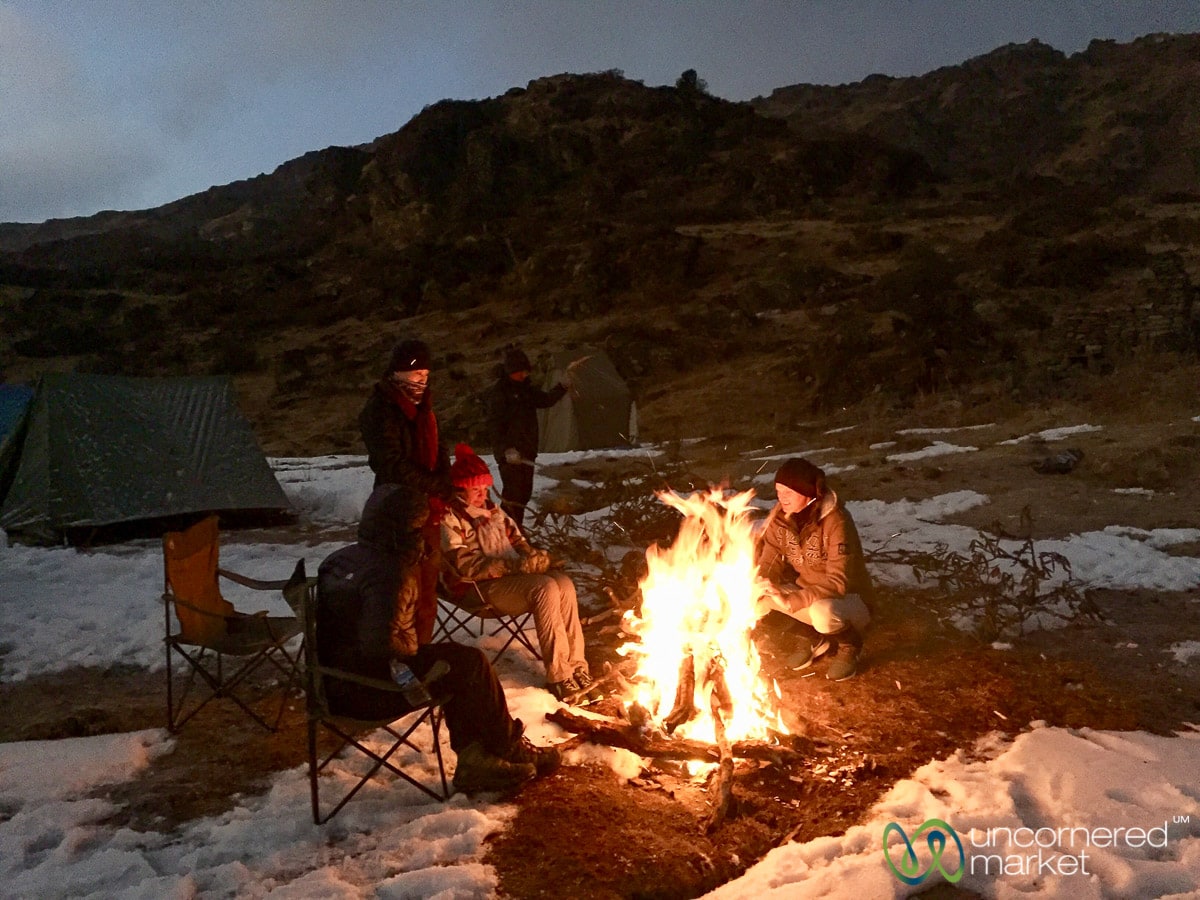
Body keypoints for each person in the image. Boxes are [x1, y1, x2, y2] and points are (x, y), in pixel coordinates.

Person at [316, 482, 560, 794]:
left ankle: (476, 759)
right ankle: (508, 748)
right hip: (369, 691)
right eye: (421, 529)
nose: (426, 536)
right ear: (405, 530)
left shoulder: (342, 559)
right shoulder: (391, 571)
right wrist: (414, 648)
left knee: (456, 662)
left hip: (332, 680)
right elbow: (384, 646)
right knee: (469, 665)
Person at [440, 443, 591, 700]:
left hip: (509, 580)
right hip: (475, 588)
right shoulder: (450, 517)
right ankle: (559, 675)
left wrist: (533, 558)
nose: (482, 494)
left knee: (562, 582)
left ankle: (577, 666)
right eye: (475, 490)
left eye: (485, 488)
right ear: (460, 489)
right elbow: (464, 565)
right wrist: (513, 566)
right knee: (543, 588)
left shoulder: (494, 512)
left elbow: (519, 543)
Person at [358, 338, 453, 645]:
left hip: (428, 509)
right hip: (397, 515)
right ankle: (397, 656)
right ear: (397, 374)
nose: (421, 382)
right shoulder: (381, 410)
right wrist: (436, 484)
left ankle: (421, 653)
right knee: (401, 594)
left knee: (426, 592)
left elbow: (438, 447)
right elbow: (390, 465)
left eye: (425, 376)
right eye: (415, 376)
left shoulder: (425, 409)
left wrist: (444, 476)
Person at [753, 457, 874, 681]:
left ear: (807, 492)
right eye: (778, 491)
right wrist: (759, 584)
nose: (781, 498)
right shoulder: (780, 519)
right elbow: (770, 560)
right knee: (756, 598)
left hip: (848, 599)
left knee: (822, 613)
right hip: (808, 593)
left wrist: (793, 601)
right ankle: (813, 636)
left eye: (788, 492)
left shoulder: (835, 520)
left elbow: (838, 583)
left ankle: (850, 645)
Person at [486, 346, 570, 530]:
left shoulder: (526, 390)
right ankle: (505, 533)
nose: (523, 375)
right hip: (510, 456)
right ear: (510, 371)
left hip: (527, 451)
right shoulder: (500, 393)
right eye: (519, 372)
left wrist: (562, 387)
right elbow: (495, 425)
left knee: (524, 495)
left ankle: (516, 532)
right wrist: (505, 450)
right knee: (513, 497)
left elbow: (546, 400)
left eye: (525, 371)